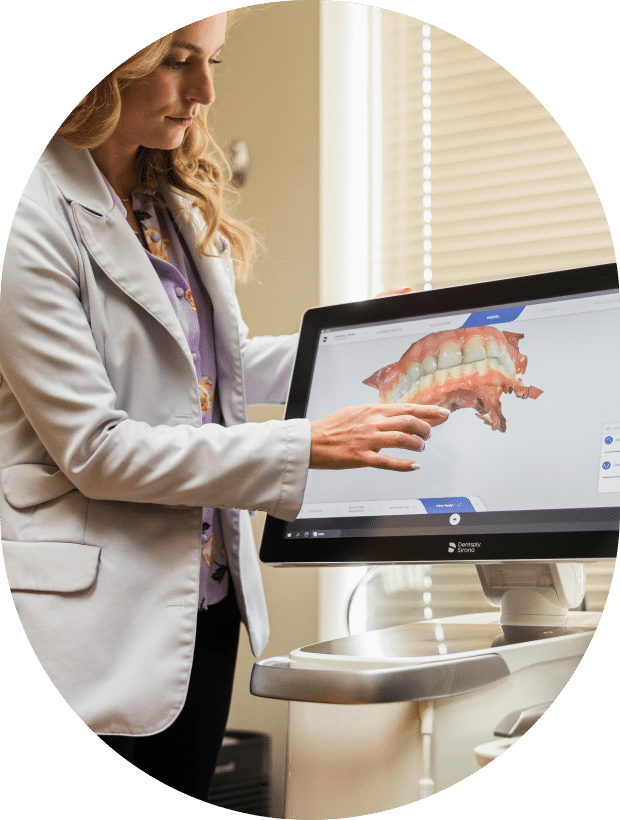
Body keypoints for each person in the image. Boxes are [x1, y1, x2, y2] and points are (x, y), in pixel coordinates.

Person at [0, 12, 449, 802]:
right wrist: (304, 445)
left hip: (201, 601)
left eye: (214, 61)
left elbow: (219, 369)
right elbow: (98, 448)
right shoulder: (30, 212)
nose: (205, 93)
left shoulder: (162, 196)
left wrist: (358, 343)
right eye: (178, 62)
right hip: (90, 616)